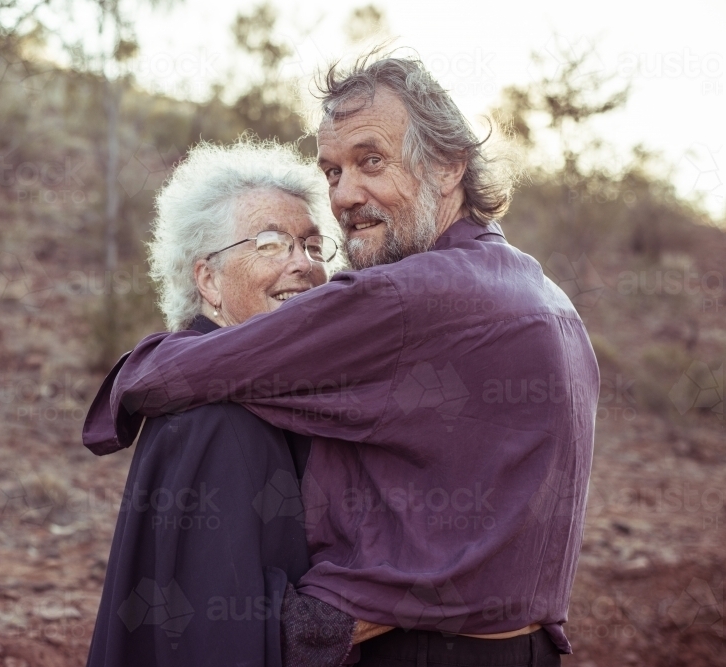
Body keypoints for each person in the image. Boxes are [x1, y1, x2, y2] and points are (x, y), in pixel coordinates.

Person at [85, 55, 600, 667]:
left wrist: (129, 376)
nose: (345, 194)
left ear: (449, 165)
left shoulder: (407, 297)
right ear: (207, 276)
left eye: (371, 161)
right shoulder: (545, 296)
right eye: (331, 172)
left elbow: (187, 372)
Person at [84, 138, 355, 667]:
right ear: (209, 280)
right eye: (271, 244)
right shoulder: (219, 417)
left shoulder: (258, 391)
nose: (304, 265)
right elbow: (220, 632)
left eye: (313, 245)